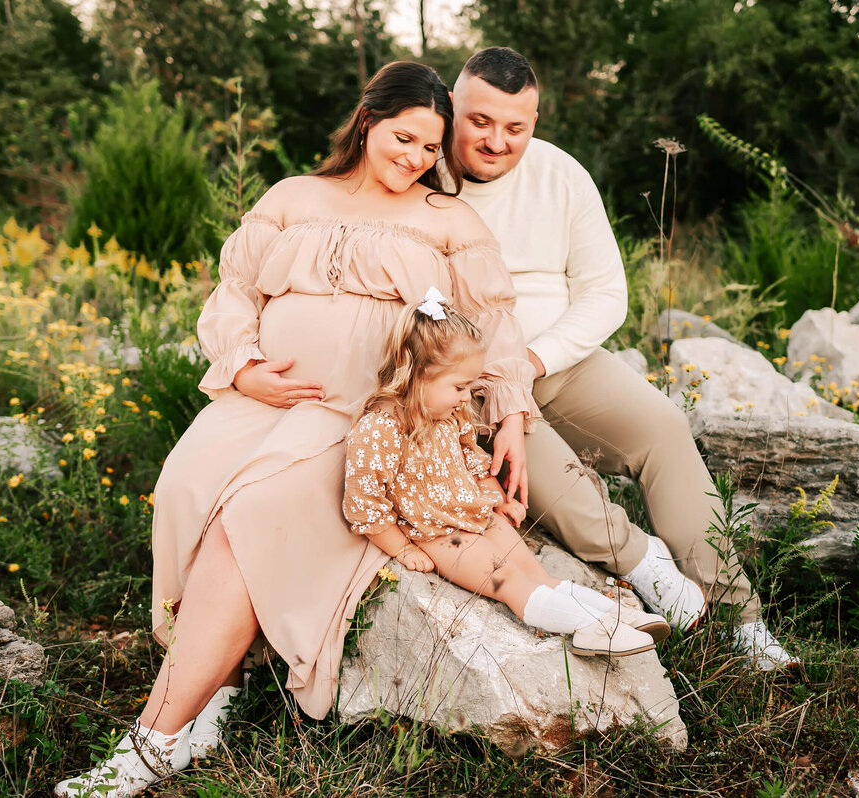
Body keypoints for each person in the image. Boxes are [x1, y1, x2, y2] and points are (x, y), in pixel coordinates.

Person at [56, 61, 539, 797]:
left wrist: (509, 416)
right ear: (368, 119)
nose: (413, 159)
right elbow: (235, 295)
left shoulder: (449, 221)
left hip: (361, 416)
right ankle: (213, 694)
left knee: (246, 518)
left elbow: (492, 325)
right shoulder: (292, 196)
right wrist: (244, 368)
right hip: (264, 402)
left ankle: (151, 744)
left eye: (428, 150)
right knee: (188, 484)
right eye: (402, 138)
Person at [449, 47, 796, 670]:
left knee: (662, 426)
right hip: (475, 382)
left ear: (535, 121)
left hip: (558, 360)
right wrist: (500, 371)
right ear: (452, 106)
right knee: (545, 475)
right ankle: (645, 565)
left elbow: (607, 293)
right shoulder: (417, 175)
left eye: (516, 128)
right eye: (480, 121)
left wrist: (536, 356)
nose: (497, 141)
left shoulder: (560, 174)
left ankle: (740, 618)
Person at [342, 291, 668, 657]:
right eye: (459, 387)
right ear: (419, 374)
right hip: (441, 535)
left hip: (478, 516)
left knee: (535, 571)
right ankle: (589, 629)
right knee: (508, 580)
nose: (467, 398)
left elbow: (471, 458)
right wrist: (402, 548)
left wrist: (495, 496)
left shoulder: (449, 415)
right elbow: (364, 502)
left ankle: (610, 615)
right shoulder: (381, 428)